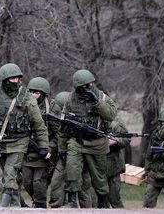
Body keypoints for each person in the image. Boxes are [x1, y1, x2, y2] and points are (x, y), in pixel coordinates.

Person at [0, 63, 49, 207]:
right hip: (0, 142)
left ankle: (2, 208)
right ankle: (17, 208)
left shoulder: (27, 98)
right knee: (10, 178)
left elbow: (39, 125)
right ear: (4, 80)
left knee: (10, 174)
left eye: (17, 78)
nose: (15, 81)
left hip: (20, 142)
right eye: (12, 78)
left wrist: (44, 146)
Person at [59, 69, 117, 208]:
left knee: (99, 176)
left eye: (88, 85)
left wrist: (97, 101)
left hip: (98, 142)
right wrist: (62, 148)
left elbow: (110, 115)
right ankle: (72, 201)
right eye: (82, 87)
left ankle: (103, 202)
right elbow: (64, 126)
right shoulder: (70, 99)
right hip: (76, 141)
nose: (85, 89)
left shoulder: (102, 97)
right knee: (71, 169)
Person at [21, 77, 60, 208]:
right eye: (31, 92)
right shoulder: (23, 104)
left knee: (39, 182)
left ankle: (40, 205)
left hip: (43, 153)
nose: (33, 95)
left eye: (36, 93)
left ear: (43, 94)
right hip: (27, 151)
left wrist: (50, 148)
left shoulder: (52, 109)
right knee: (26, 181)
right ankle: (37, 202)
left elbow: (59, 134)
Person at [143, 106, 164, 208]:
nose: (163, 125)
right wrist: (147, 171)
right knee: (148, 202)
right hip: (155, 172)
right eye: (161, 122)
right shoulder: (155, 134)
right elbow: (149, 154)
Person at [104, 115, 130, 208]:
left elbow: (126, 138)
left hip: (113, 165)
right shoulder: (90, 117)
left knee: (114, 197)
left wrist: (115, 141)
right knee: (97, 199)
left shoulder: (116, 122)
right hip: (95, 164)